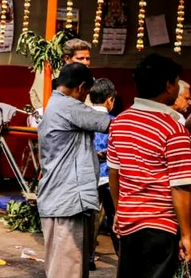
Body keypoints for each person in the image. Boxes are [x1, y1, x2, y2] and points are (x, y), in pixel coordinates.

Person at [108, 54, 191, 278]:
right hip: (161, 227)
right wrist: (187, 235)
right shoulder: (174, 130)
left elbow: (114, 173)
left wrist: (119, 211)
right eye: (176, 81)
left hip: (128, 222)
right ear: (168, 86)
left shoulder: (120, 122)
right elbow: (181, 188)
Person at [37, 62, 111, 278]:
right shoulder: (69, 106)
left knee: (68, 268)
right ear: (81, 87)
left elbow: (65, 146)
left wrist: (93, 156)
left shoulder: (55, 104)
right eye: (87, 92)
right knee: (67, 270)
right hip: (67, 201)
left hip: (60, 198)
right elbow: (109, 124)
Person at [88, 78, 119, 268]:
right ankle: (122, 257)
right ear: (110, 99)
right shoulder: (115, 122)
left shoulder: (83, 119)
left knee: (89, 220)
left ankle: (88, 258)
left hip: (89, 176)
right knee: (116, 217)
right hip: (109, 177)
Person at [30, 38, 92, 109]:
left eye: (87, 59)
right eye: (80, 58)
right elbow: (45, 102)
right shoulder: (49, 72)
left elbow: (90, 103)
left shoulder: (86, 76)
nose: (86, 62)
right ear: (67, 59)